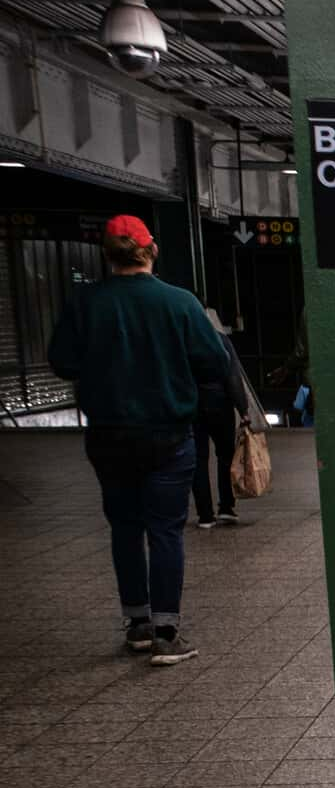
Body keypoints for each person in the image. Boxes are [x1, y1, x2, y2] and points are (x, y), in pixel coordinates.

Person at [46, 215, 228, 666]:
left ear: (107, 253)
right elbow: (215, 363)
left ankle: (138, 625)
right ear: (151, 250)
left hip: (108, 434)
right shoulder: (179, 303)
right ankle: (168, 632)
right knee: (166, 531)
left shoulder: (85, 303)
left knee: (125, 528)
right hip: (167, 434)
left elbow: (63, 362)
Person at [191, 308, 252, 529]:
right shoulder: (220, 341)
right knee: (225, 454)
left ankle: (205, 515)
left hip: (191, 406)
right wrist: (243, 410)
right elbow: (233, 377)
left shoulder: (181, 343)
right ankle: (226, 507)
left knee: (198, 459)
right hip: (219, 403)